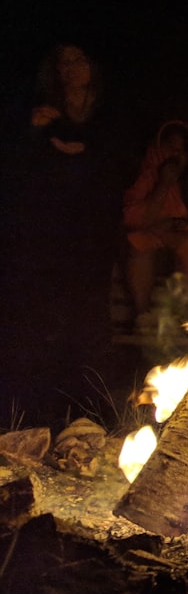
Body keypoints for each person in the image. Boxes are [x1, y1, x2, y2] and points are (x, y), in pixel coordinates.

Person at [0, 43, 124, 427]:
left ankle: (94, 413)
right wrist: (34, 132)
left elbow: (119, 162)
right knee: (44, 321)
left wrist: (84, 152)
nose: (70, 69)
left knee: (89, 318)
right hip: (48, 231)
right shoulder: (41, 110)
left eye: (78, 60)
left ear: (92, 65)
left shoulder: (107, 113)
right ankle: (39, 414)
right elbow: (20, 169)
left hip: (92, 230)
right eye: (63, 62)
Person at [123, 120, 188, 317]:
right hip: (154, 233)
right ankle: (143, 315)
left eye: (182, 150)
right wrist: (163, 185)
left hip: (183, 235)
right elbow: (133, 217)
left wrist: (182, 227)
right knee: (138, 244)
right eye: (171, 147)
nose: (176, 155)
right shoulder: (147, 174)